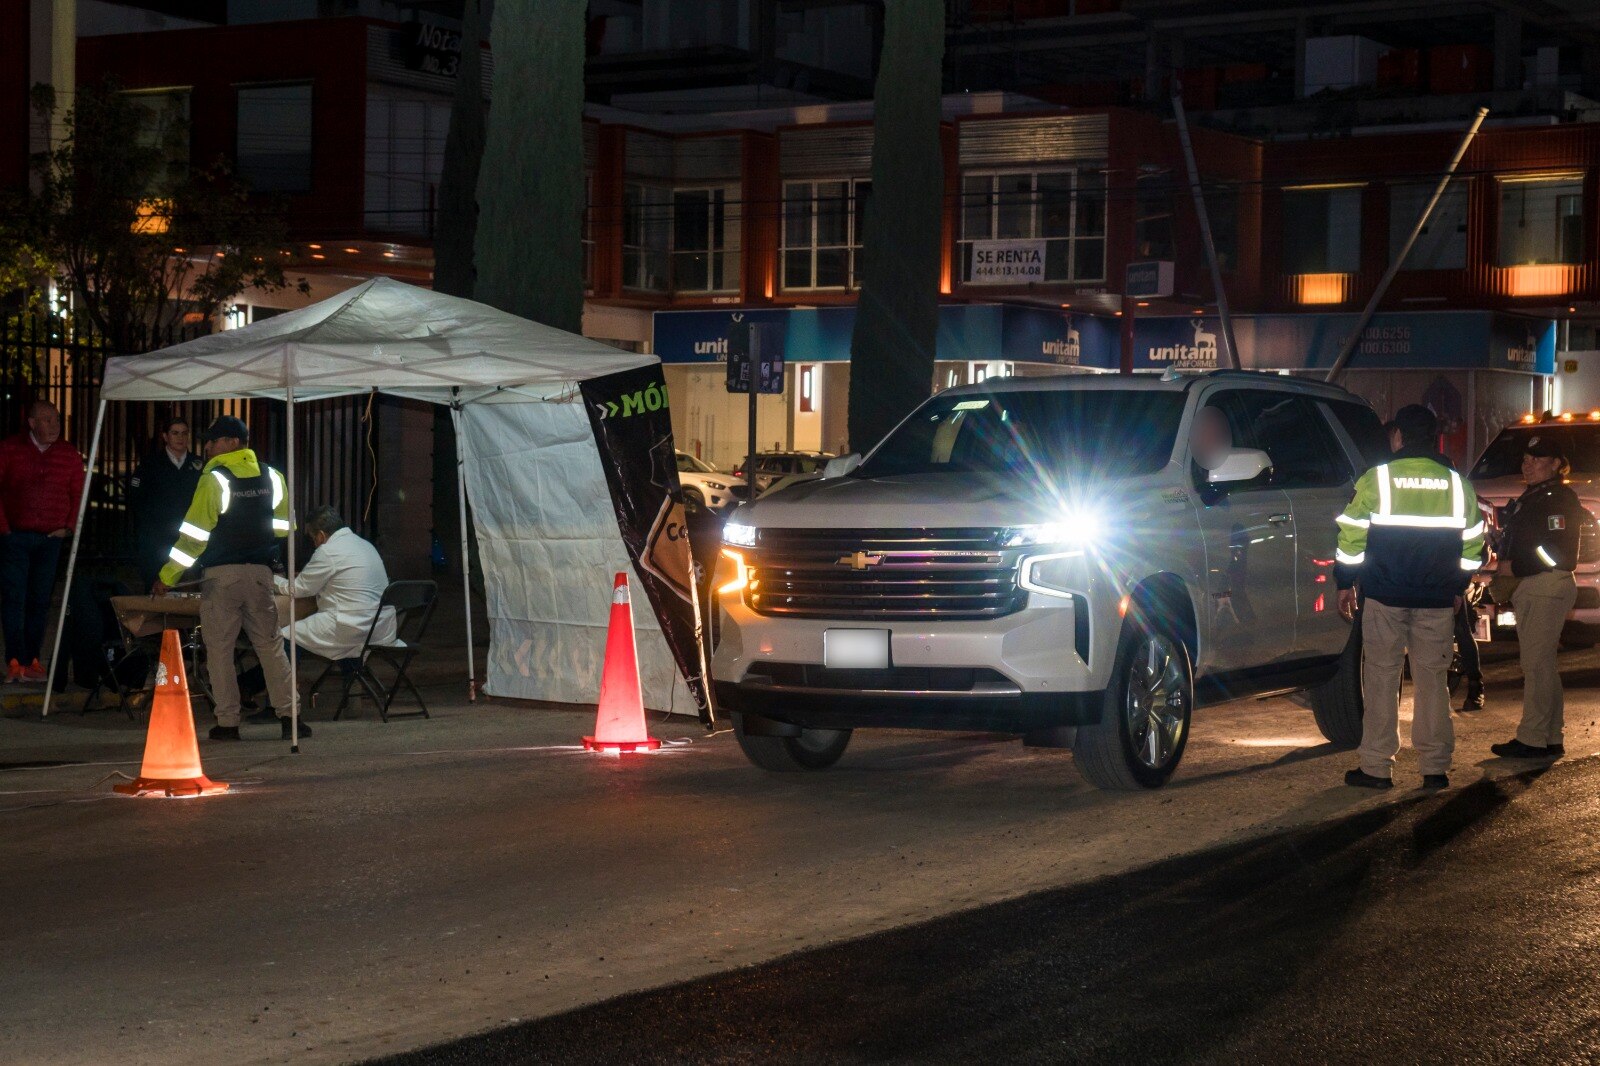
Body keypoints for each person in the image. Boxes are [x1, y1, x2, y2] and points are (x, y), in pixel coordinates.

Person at [1335, 404, 1484, 791]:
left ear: (1398, 435)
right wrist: (1457, 587)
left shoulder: (1378, 479)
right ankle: (1435, 768)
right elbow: (1473, 545)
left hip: (1385, 597)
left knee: (1382, 678)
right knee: (1433, 681)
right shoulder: (1457, 484)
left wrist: (1345, 581)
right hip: (1436, 600)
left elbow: (1351, 536)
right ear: (1434, 436)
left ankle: (1376, 768)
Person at [153, 415, 304, 741]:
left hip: (222, 576)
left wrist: (167, 575)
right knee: (271, 647)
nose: (207, 448)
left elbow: (194, 537)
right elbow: (284, 529)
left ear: (232, 443)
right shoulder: (273, 477)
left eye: (213, 442)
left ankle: (228, 722)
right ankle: (291, 717)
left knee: (220, 650)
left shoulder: (215, 480)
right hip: (261, 574)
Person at [1490, 434, 1585, 760]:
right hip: (1534, 586)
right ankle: (1550, 736)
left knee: (1535, 664)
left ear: (1557, 464)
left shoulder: (1558, 499)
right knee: (1543, 665)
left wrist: (1515, 564)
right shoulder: (1534, 496)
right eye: (1526, 459)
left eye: (1537, 458)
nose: (1528, 464)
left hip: (1546, 585)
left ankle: (1532, 738)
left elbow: (1558, 554)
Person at [0, 400, 86, 683]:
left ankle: (32, 659)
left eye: (57, 419)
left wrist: (70, 527)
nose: (54, 425)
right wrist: (5, 529)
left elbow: (79, 493)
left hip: (51, 539)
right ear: (32, 423)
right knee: (14, 598)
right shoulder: (11, 449)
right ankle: (14, 659)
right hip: (17, 536)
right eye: (47, 420)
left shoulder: (68, 454)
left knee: (39, 600)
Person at [275, 505, 396, 661]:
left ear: (320, 535)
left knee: (285, 636)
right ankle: (353, 678)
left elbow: (297, 589)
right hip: (380, 627)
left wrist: (272, 579)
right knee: (346, 644)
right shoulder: (366, 545)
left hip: (349, 626)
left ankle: (287, 683)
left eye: (312, 539)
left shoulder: (327, 551)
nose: (314, 543)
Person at [128, 416, 205, 592]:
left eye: (184, 433)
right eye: (175, 433)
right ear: (165, 436)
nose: (180, 437)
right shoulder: (150, 464)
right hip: (157, 539)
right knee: (156, 587)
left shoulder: (199, 465)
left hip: (188, 538)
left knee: (188, 589)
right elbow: (137, 499)